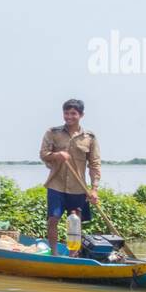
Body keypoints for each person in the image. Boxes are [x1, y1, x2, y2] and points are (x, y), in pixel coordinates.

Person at [39, 99, 101, 254]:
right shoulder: (53, 132)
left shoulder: (89, 137)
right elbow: (43, 154)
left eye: (73, 113)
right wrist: (57, 155)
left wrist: (94, 189)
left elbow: (94, 164)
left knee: (76, 223)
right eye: (66, 113)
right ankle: (54, 254)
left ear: (81, 115)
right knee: (53, 219)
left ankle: (73, 256)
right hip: (56, 185)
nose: (69, 116)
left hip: (78, 187)